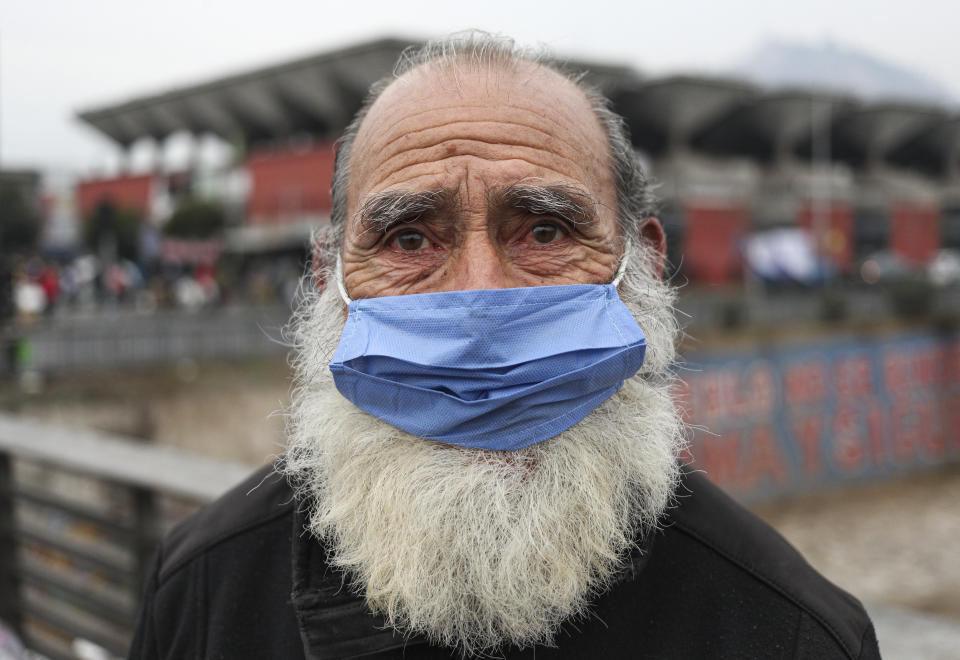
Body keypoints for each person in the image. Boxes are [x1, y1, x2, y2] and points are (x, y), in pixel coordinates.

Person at [129, 34, 880, 659]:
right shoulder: (204, 591)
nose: (478, 304)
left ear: (645, 267)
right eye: (410, 237)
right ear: (329, 278)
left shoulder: (791, 636)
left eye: (545, 230)